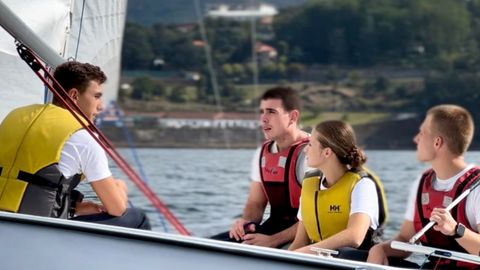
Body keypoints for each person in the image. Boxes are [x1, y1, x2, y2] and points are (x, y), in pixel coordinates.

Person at [0, 61, 150, 230]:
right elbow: (116, 208)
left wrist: (73, 207)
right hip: (38, 231)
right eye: (96, 96)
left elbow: (22, 183)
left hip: (5, 223)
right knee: (138, 218)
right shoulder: (83, 137)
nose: (101, 106)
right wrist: (120, 187)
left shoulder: (14, 116)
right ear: (73, 95)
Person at [367, 104, 480, 269]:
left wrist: (456, 230)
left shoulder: (476, 186)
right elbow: (406, 238)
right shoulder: (422, 182)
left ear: (437, 142)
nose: (416, 139)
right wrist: (380, 249)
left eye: (422, 133)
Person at [211, 87, 310, 248]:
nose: (263, 119)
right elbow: (256, 203)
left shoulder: (311, 154)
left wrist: (273, 241)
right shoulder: (261, 153)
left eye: (271, 112)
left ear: (293, 116)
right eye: (262, 112)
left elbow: (317, 217)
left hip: (305, 235)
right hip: (273, 228)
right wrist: (246, 222)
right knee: (212, 245)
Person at [289, 120, 388, 261]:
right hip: (317, 261)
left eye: (310, 144)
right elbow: (300, 242)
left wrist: (306, 252)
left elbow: (355, 236)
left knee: (345, 253)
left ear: (327, 152)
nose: (305, 149)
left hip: (352, 261)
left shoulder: (362, 185)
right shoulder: (309, 184)